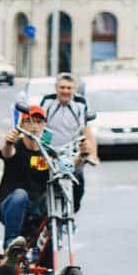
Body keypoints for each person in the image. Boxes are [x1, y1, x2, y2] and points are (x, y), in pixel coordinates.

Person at [0, 106, 50, 253]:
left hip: (36, 209)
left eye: (39, 122)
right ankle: (11, 245)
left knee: (54, 200)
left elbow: (64, 167)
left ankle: (48, 264)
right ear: (22, 125)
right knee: (20, 194)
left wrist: (81, 157)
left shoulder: (47, 153)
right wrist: (8, 143)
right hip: (11, 206)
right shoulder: (16, 147)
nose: (34, 126)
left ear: (44, 125)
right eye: (30, 121)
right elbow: (7, 153)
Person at [39, 73, 97, 212]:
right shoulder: (47, 101)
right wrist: (44, 148)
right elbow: (42, 127)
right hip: (50, 153)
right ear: (56, 88)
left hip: (71, 153)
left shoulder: (80, 104)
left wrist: (92, 154)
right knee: (39, 181)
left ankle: (71, 213)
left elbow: (86, 130)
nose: (65, 91)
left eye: (69, 88)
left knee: (77, 180)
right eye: (62, 87)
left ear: (74, 89)